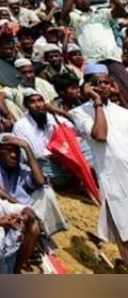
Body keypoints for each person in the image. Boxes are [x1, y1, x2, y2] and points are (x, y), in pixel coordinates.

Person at [70, 63, 128, 267]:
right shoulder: (80, 112)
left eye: (106, 82)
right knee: (125, 234)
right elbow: (100, 136)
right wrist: (96, 102)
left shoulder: (123, 112)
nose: (103, 86)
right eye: (97, 83)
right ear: (88, 86)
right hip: (114, 182)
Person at [0, 133, 67, 238]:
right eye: (9, 150)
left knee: (46, 191)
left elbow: (40, 181)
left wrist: (27, 147)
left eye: (17, 151)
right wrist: (17, 204)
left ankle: (42, 231)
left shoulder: (22, 168)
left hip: (25, 211)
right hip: (3, 211)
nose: (13, 155)